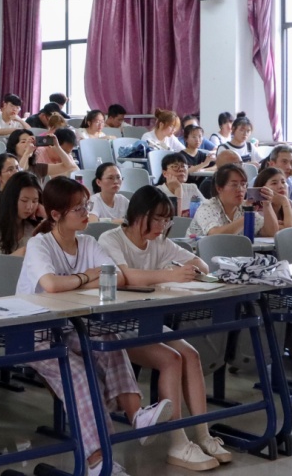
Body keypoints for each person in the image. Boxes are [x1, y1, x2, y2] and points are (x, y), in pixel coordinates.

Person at [17, 177, 173, 476]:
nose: (86, 212)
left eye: (87, 205)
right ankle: (98, 461)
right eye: (78, 208)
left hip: (72, 326)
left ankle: (137, 416)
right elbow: (51, 285)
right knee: (78, 374)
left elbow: (116, 276)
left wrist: (80, 279)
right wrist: (87, 276)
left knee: (109, 340)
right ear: (56, 214)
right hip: (34, 334)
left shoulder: (87, 242)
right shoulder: (40, 244)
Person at [97, 187, 233, 468]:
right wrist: (170, 275)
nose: (162, 226)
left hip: (145, 323)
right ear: (138, 215)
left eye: (166, 220)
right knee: (171, 359)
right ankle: (178, 442)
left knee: (191, 354)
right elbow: (125, 276)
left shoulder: (159, 242)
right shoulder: (111, 239)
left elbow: (201, 264)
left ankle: (203, 435)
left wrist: (192, 269)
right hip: (116, 325)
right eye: (157, 219)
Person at [188, 164, 278, 237]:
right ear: (219, 188)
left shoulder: (245, 207)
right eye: (234, 185)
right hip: (200, 253)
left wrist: (267, 204)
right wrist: (247, 217)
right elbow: (215, 236)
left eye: (243, 184)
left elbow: (271, 233)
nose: (240, 189)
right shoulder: (207, 207)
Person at [8, 128, 77, 178]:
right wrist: (27, 153)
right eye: (23, 142)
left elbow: (68, 166)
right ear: (13, 146)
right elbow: (19, 176)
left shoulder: (37, 168)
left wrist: (57, 147)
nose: (28, 144)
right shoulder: (8, 166)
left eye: (30, 142)